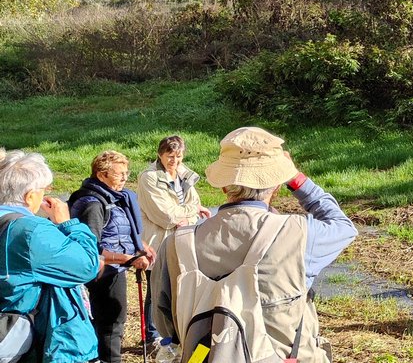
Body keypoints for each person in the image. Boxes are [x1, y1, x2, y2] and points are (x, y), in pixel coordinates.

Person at [149, 126, 358, 361]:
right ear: (277, 185)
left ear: (225, 185)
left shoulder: (176, 244)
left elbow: (165, 325)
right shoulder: (299, 234)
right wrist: (297, 180)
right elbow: (344, 226)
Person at [0, 150, 100, 363]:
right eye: (42, 190)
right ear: (29, 196)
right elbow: (88, 265)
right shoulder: (30, 231)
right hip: (37, 341)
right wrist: (67, 222)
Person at [68, 150, 154, 363]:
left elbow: (119, 230)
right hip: (102, 273)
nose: (125, 178)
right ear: (101, 175)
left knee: (114, 319)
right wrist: (128, 259)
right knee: (111, 322)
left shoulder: (114, 197)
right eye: (118, 174)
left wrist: (140, 246)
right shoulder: (93, 204)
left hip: (114, 269)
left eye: (126, 172)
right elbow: (91, 248)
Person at [136, 135, 210, 345]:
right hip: (157, 241)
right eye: (170, 156)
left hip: (183, 238)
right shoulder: (149, 177)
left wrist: (187, 215)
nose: (174, 161)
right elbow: (164, 215)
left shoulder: (185, 174)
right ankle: (151, 336)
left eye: (178, 156)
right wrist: (191, 211)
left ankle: (174, 332)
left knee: (180, 287)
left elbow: (196, 204)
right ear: (160, 154)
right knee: (156, 289)